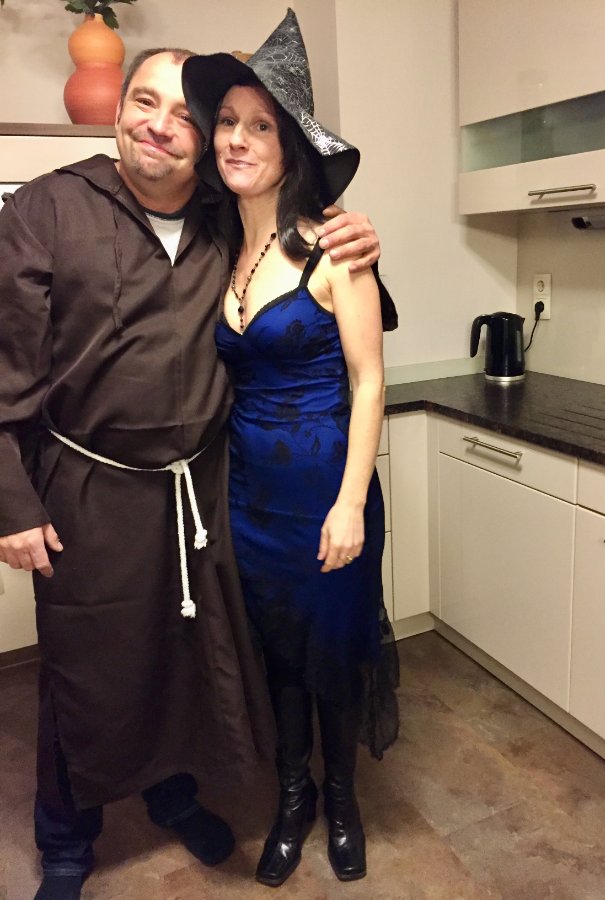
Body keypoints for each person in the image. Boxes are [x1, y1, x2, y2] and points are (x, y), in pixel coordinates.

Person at [0, 42, 391, 900]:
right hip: (91, 492)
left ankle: (173, 792)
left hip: (203, 490)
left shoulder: (224, 215)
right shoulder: (46, 207)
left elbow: (322, 277)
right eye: (145, 102)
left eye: (187, 114)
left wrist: (353, 226)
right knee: (82, 666)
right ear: (116, 110)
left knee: (184, 654)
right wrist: (10, 504)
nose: (162, 126)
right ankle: (65, 840)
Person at [182, 10, 399, 887]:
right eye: (227, 123)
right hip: (249, 499)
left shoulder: (335, 248)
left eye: (260, 126)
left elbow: (370, 382)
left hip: (325, 491)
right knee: (276, 655)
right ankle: (293, 797)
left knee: (333, 655)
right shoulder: (218, 248)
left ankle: (341, 803)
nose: (237, 139)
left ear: (291, 147)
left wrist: (350, 504)